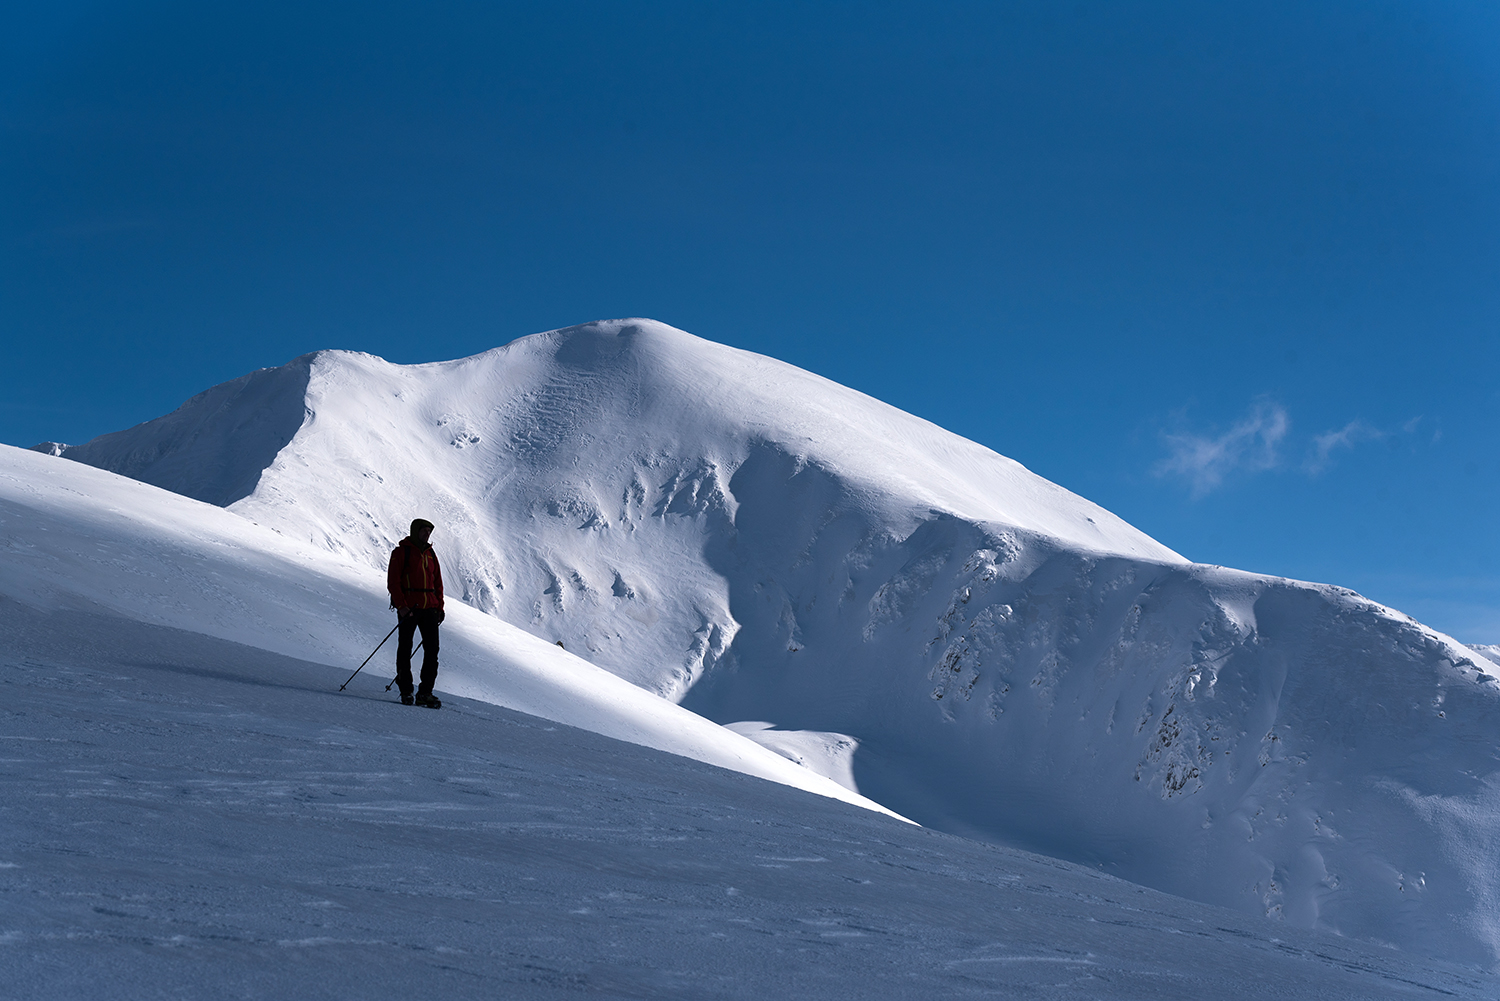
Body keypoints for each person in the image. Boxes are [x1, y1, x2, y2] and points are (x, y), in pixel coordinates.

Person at [387, 518, 445, 708]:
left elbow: (437, 583)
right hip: (409, 609)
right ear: (415, 531)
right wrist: (401, 606)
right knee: (405, 649)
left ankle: (425, 692)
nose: (427, 534)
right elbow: (393, 582)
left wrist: (439, 607)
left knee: (432, 651)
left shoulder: (430, 554)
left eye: (429, 531)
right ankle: (406, 690)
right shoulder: (401, 552)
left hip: (429, 608)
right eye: (424, 530)